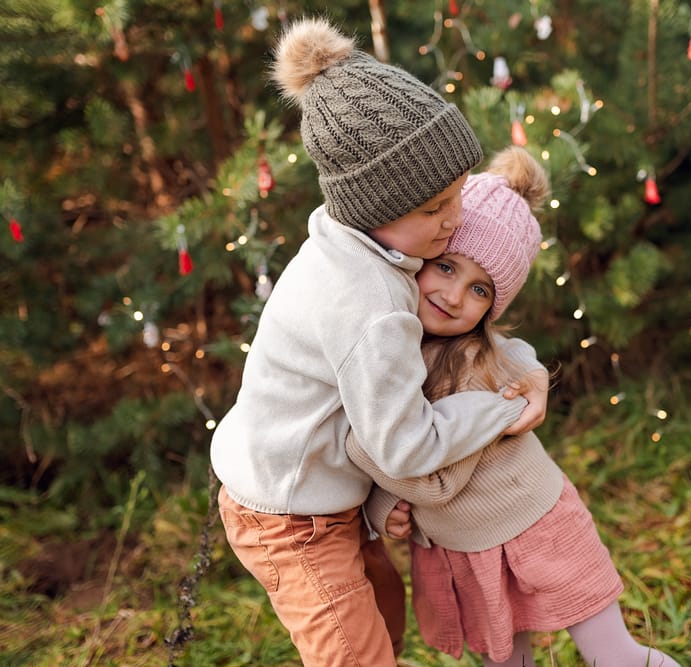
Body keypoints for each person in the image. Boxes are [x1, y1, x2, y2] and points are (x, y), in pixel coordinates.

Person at [210, 19, 547, 667]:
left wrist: (526, 369)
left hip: (327, 500)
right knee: (353, 654)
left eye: (456, 195)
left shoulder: (366, 249)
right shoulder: (368, 304)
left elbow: (467, 338)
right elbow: (406, 443)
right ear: (373, 203)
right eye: (436, 206)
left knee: (381, 623)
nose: (455, 219)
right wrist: (503, 406)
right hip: (290, 518)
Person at [348, 147, 682, 667]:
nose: (454, 295)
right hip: (464, 549)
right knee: (507, 662)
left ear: (492, 307)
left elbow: (434, 477)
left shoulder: (479, 369)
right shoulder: (386, 347)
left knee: (614, 656)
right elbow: (395, 465)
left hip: (537, 527)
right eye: (445, 267)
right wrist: (383, 507)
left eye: (479, 288)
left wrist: (353, 446)